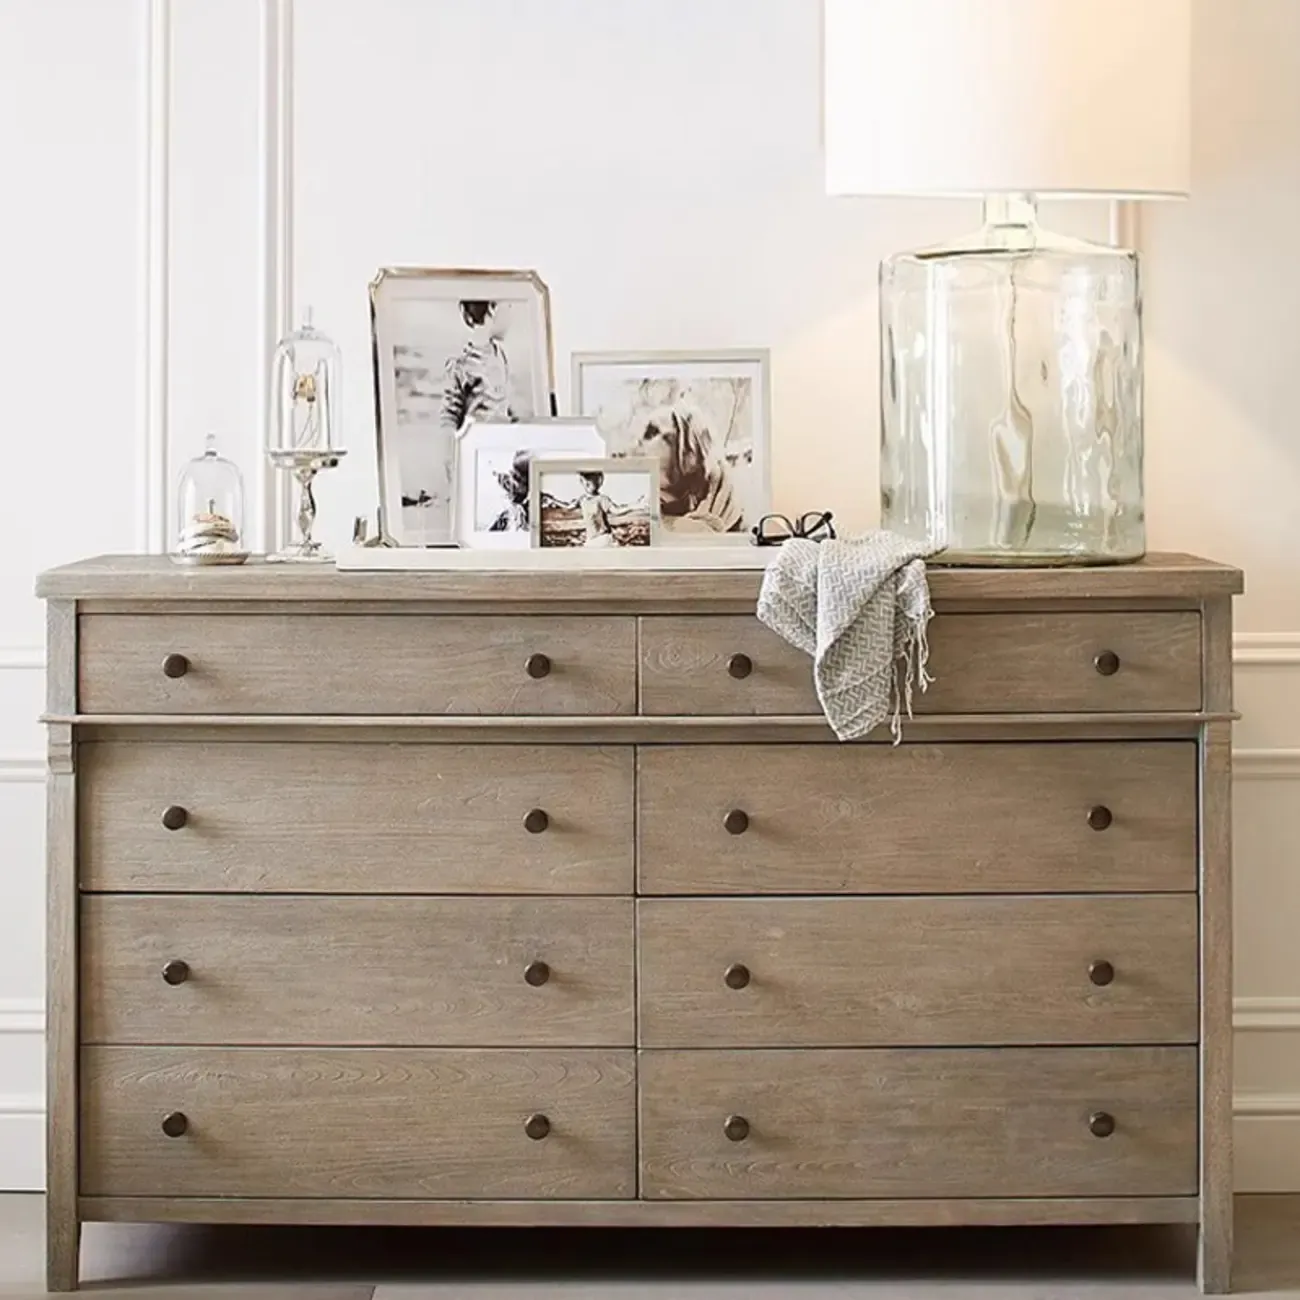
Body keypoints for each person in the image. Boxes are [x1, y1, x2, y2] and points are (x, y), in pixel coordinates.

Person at [439, 300, 512, 431]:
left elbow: (504, 406)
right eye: (509, 306)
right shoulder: (461, 362)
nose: (512, 315)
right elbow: (449, 416)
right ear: (492, 308)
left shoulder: (500, 353)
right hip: (476, 443)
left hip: (501, 442)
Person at [577, 471, 616, 547]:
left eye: (591, 482)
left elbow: (616, 510)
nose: (587, 484)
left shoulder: (602, 499)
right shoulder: (582, 499)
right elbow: (568, 507)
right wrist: (551, 499)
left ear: (598, 482)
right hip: (590, 540)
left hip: (603, 538)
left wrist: (637, 505)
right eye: (585, 482)